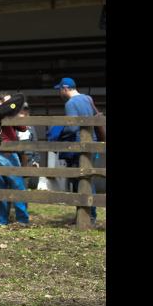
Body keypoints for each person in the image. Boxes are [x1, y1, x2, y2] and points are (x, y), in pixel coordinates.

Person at [50, 77, 97, 223]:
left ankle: (87, 216)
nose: (59, 93)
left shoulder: (71, 103)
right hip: (92, 143)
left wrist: (57, 133)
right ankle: (87, 215)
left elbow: (72, 126)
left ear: (65, 89)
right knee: (87, 179)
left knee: (80, 182)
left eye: (59, 90)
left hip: (78, 146)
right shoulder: (87, 98)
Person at [0, 91, 30, 226]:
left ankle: (2, 220)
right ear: (0, 102)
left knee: (1, 186)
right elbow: (23, 127)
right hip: (7, 153)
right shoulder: (2, 114)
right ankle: (22, 219)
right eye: (8, 101)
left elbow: (23, 127)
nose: (11, 105)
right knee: (17, 186)